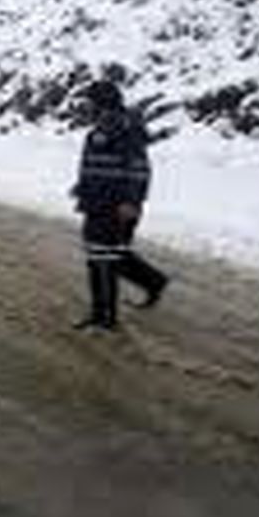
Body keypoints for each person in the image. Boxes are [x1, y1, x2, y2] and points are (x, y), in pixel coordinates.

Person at [69, 80, 169, 331]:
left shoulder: (127, 129)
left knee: (106, 258)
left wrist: (131, 201)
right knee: (99, 257)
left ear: (102, 103)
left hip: (117, 206)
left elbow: (139, 169)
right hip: (96, 203)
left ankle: (105, 317)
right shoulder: (97, 131)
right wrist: (82, 186)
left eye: (90, 102)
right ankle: (147, 286)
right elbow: (94, 165)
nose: (86, 108)